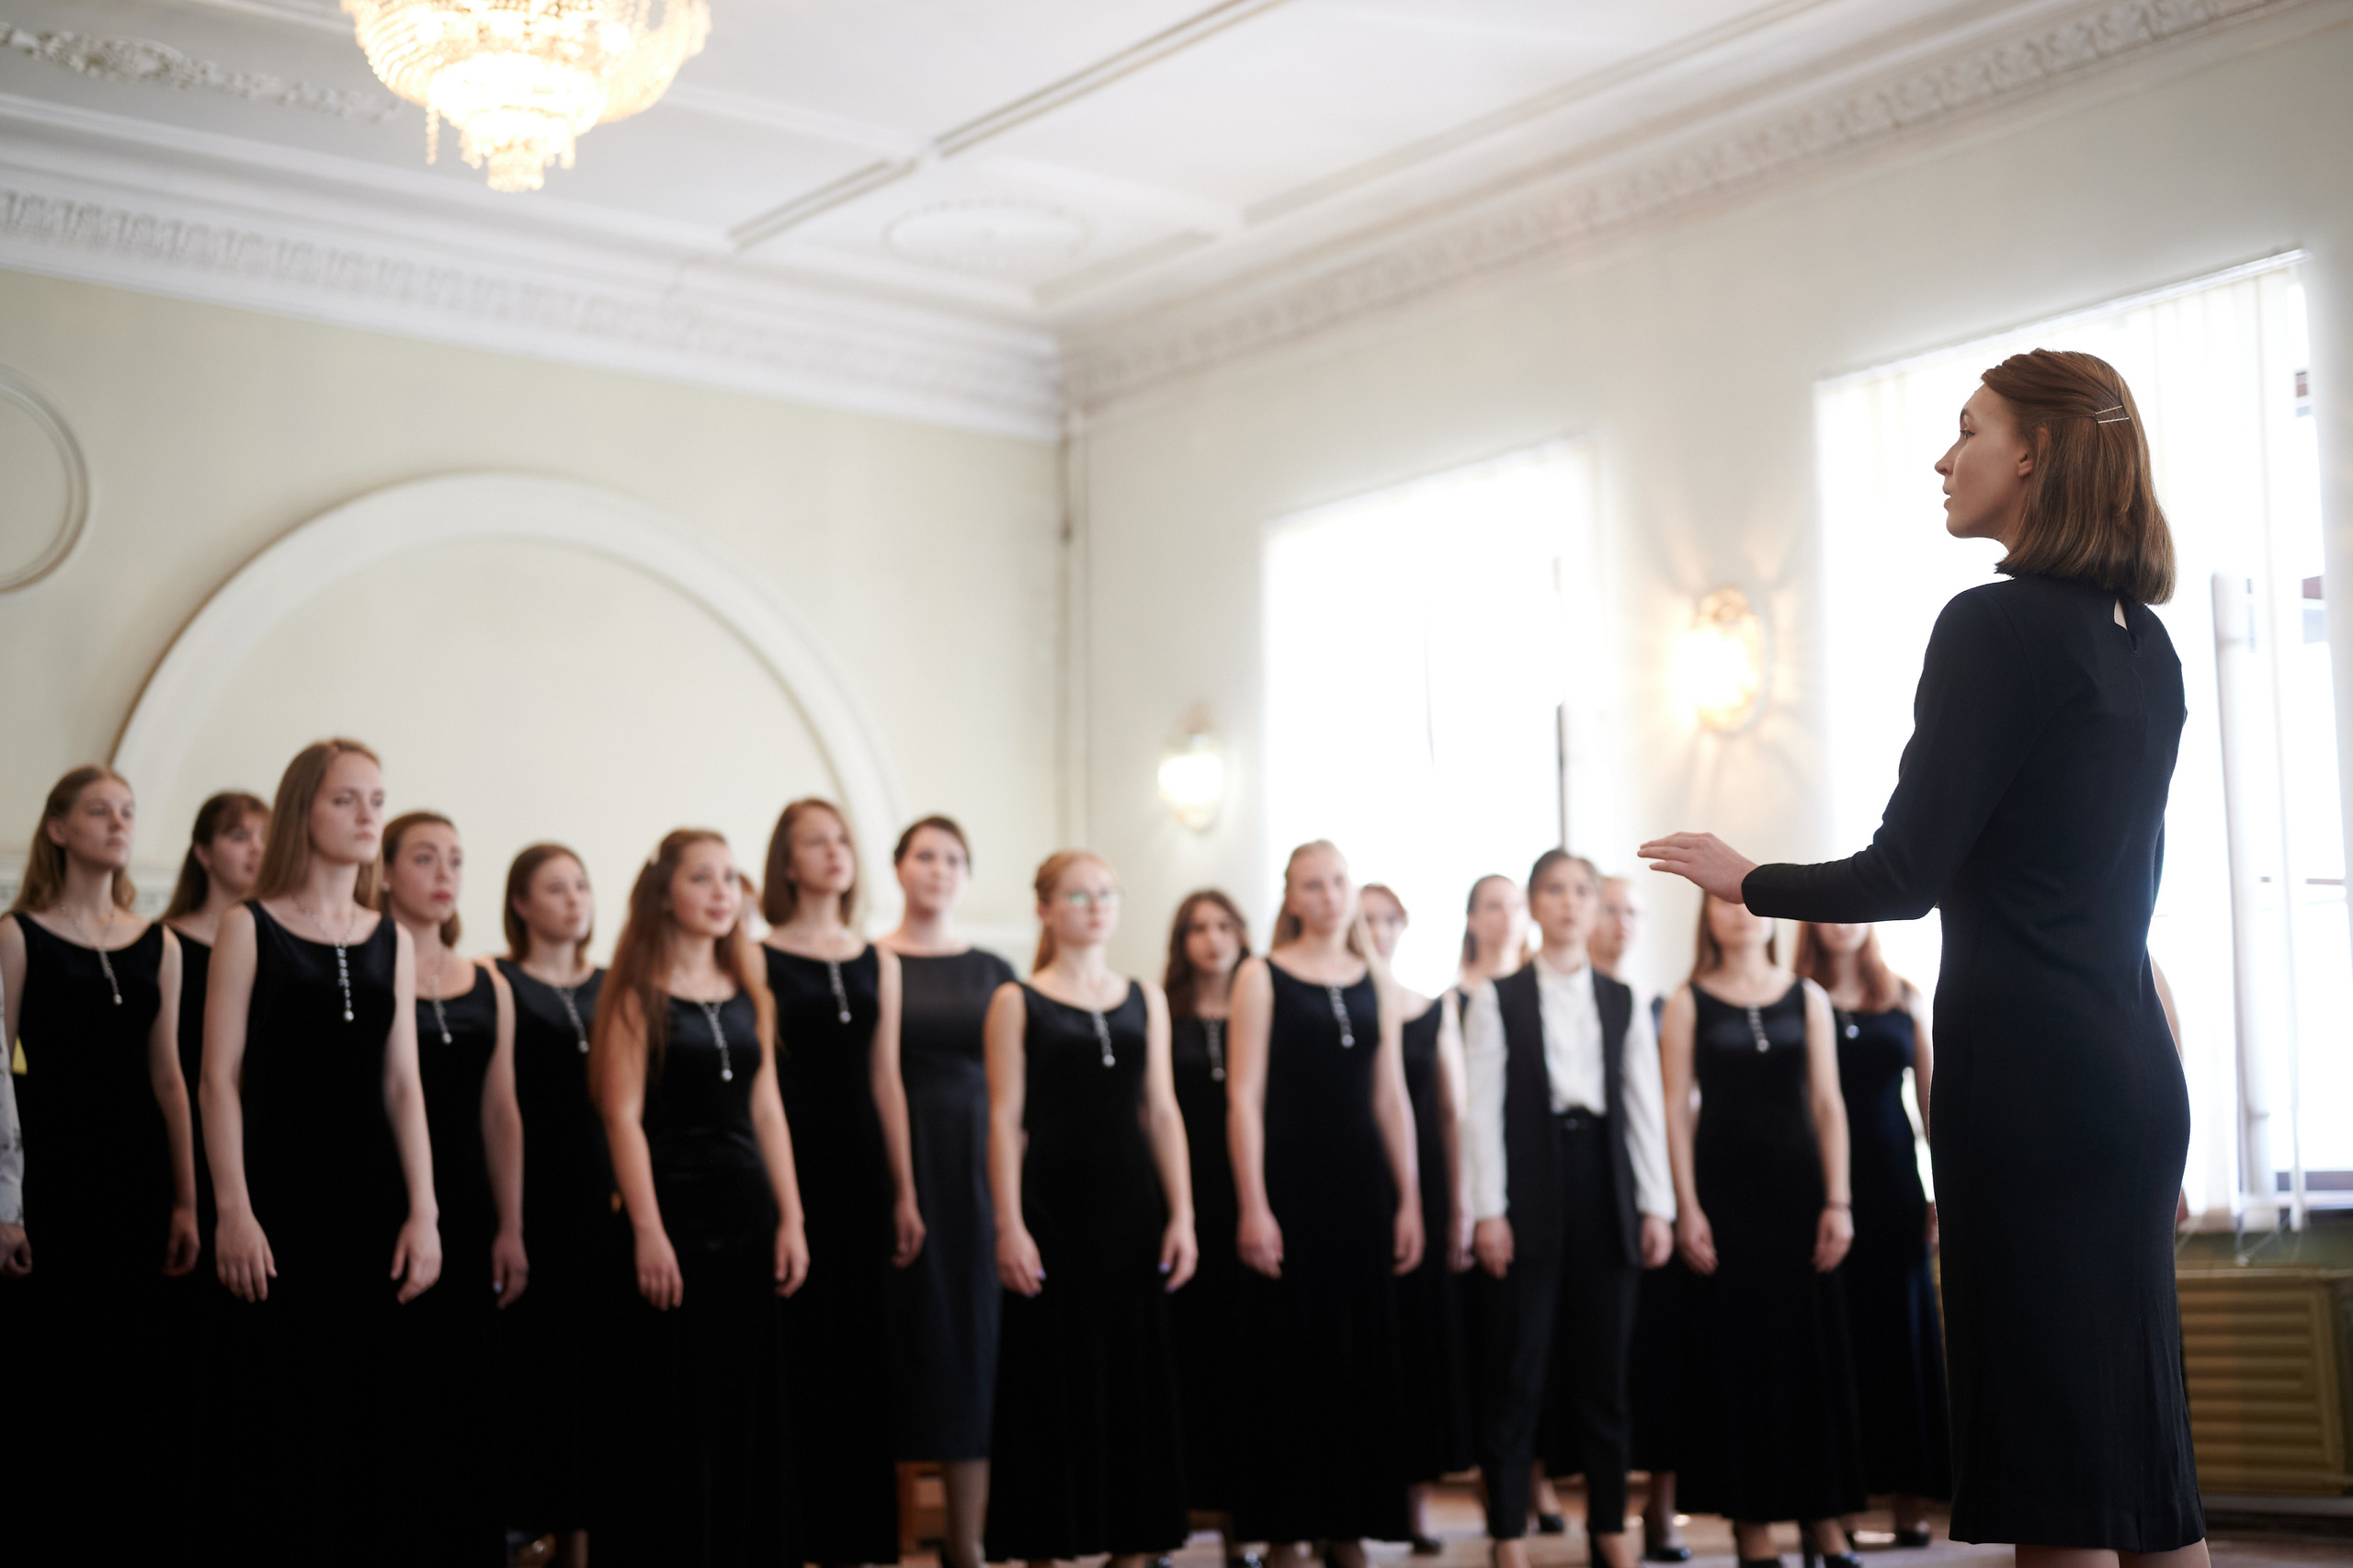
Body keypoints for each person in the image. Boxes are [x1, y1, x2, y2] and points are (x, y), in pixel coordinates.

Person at [1642, 348, 2205, 1567]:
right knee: (2142, 1471)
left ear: (2033, 454)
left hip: (2030, 1085)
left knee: (2054, 1480)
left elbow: (1902, 873)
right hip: (2133, 1077)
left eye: (1968, 430)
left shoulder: (1991, 626)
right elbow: (2122, 902)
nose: (1943, 459)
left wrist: (1750, 877)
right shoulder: (2147, 647)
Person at [202, 739, 442, 1566]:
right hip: (277, 1200)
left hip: (371, 1204)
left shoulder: (391, 938)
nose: (368, 814)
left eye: (376, 799)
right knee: (282, 1414)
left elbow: (404, 1084)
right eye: (346, 799)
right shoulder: (248, 926)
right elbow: (217, 1079)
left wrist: (425, 1211)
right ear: (304, 809)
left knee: (371, 1417)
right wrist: (233, 1210)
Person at [0, 764, 201, 1556]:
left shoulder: (161, 943)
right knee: (59, 1367)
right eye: (99, 811)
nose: (119, 823)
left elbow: (170, 1077)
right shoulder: (16, 935)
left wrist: (187, 1199)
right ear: (58, 829)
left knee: (139, 1368)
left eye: (128, 811)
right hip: (53, 1178)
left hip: (139, 1179)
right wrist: (5, 1207)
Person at [594, 828, 810, 1566]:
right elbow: (621, 1118)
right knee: (675, 1400)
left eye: (728, 877)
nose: (722, 893)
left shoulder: (750, 990)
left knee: (744, 1397)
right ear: (665, 894)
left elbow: (768, 1110)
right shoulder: (635, 996)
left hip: (746, 1216)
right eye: (702, 878)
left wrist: (792, 1218)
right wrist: (647, 1231)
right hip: (673, 1215)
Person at [983, 849, 1196, 1568]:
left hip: (1130, 1213)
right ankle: (1047, 1546)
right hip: (1052, 1213)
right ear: (1044, 908)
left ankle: (1132, 1547)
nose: (1096, 906)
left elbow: (1161, 1111)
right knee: (1050, 1380)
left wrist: (1183, 1215)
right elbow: (1005, 1119)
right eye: (1078, 895)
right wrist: (1009, 1224)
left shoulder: (1145, 997)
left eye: (1107, 893)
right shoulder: (1018, 1000)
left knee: (1132, 1376)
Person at [1462, 852, 1675, 1568]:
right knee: (1517, 1370)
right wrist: (1488, 1211)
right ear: (1534, 904)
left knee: (1605, 1373)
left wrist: (1657, 1207)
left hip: (1605, 1186)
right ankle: (1507, 1531)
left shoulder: (1623, 999)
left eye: (1582, 891)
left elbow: (1644, 1108)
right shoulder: (1498, 998)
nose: (1569, 903)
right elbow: (1481, 1113)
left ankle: (1609, 1524)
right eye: (1554, 890)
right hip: (1529, 1185)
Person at [1229, 840, 1423, 1567]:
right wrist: (1253, 1204)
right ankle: (1286, 1532)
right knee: (1289, 1358)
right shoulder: (1262, 975)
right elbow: (1243, 1099)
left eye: (1338, 881)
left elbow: (1390, 1095)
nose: (1330, 895)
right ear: (1291, 897)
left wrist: (1409, 1199)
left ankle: (1348, 1527)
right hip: (1288, 1187)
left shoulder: (1374, 979)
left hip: (1359, 1190)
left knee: (1356, 1356)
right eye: (1313, 885)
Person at [1659, 896, 1864, 1567]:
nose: (1740, 913)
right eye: (1723, 903)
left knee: (1809, 1360)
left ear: (1773, 915)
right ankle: (1751, 1525)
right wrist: (1686, 1207)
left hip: (1800, 1197)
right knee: (1740, 1362)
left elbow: (1828, 1104)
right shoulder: (1687, 1000)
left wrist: (1838, 1200)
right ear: (1706, 920)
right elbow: (1674, 1111)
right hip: (1724, 1202)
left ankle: (1823, 1520)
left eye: (1750, 900)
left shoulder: (1807, 997)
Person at [763, 797, 915, 1565]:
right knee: (799, 1351)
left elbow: (887, 1079)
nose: (834, 852)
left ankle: (858, 1540)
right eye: (815, 842)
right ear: (787, 863)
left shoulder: (877, 959)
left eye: (842, 840)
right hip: (790, 1164)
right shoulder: (755, 956)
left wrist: (905, 1188)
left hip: (860, 1167)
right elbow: (760, 1080)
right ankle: (796, 1533)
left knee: (861, 1354)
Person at [381, 812, 523, 1566]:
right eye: (425, 858)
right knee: (399, 1386)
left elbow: (501, 1113)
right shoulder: (368, 964)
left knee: (467, 1389)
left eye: (457, 860)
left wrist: (512, 1225)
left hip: (469, 1204)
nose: (445, 875)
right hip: (391, 1198)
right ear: (385, 872)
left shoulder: (490, 982)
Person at [879, 815, 1015, 1568]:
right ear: (898, 867)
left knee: (971, 1340)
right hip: (894, 1162)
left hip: (973, 1167)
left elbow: (1014, 1086)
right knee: (895, 1338)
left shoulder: (993, 970)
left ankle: (967, 1541)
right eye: (925, 856)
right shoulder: (872, 961)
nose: (939, 869)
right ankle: (884, 1537)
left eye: (953, 859)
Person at [1792, 922, 1950, 1540]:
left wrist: (1942, 1190)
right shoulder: (1794, 994)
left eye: (1851, 912)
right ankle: (1840, 1504)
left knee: (1903, 1340)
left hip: (1893, 1182)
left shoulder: (1904, 995)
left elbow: (1933, 1101)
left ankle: (1911, 1500)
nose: (1840, 923)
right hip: (1821, 1187)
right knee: (1840, 1340)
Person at [496, 843, 616, 1568]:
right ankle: (530, 1530)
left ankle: (586, 1537)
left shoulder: (614, 985)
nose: (575, 900)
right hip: (531, 1198)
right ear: (520, 903)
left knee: (599, 1370)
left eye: (582, 886)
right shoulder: (499, 981)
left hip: (603, 1201)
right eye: (556, 888)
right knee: (535, 1366)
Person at [1360, 881, 1474, 1554]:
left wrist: (1460, 1205)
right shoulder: (1337, 1006)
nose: (1377, 931)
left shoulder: (1433, 1009)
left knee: (1417, 1342)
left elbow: (1453, 1112)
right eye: (1365, 920)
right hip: (1353, 1181)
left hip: (1423, 1186)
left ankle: (1418, 1503)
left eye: (1387, 920)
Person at [1590, 876, 1693, 1564]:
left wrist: (1669, 1200)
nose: (1621, 922)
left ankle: (1660, 1507)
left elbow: (1671, 1106)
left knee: (1657, 1357)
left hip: (1649, 1193)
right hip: (1585, 1192)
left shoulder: (1656, 1003)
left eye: (1632, 912)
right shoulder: (1547, 997)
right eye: (1609, 909)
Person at [1162, 888, 1261, 1568]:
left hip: (1247, 1203)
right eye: (1199, 928)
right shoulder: (1162, 1015)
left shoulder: (1264, 1008)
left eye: (1225, 926)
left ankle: (1245, 1529)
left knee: (1244, 1366)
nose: (1213, 939)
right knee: (1182, 1362)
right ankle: (1168, 1524)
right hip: (1181, 1203)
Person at [162, 789, 269, 1293]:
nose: (257, 848)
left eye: (266, 836)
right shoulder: (166, 942)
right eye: (239, 836)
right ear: (203, 853)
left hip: (261, 1134)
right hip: (188, 1132)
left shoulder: (278, 941)